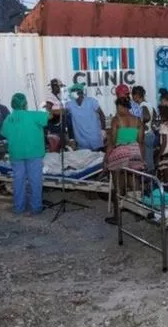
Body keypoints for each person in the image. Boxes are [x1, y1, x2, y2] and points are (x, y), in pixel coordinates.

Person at [0, 93, 49, 215]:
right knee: (35, 181)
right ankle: (36, 207)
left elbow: (4, 133)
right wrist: (48, 108)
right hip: (34, 153)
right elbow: (50, 116)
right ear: (25, 103)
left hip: (16, 155)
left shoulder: (8, 119)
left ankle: (18, 207)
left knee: (18, 182)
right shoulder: (34, 115)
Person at [104, 96, 146, 225]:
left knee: (118, 186)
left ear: (122, 107)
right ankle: (139, 213)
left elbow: (114, 140)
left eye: (117, 107)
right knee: (135, 184)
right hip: (135, 151)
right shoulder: (138, 120)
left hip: (121, 152)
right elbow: (140, 140)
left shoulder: (116, 120)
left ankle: (117, 217)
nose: (116, 110)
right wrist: (142, 158)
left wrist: (106, 158)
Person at [66, 83, 106, 151]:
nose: (72, 93)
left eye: (73, 91)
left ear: (80, 92)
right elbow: (63, 113)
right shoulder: (70, 104)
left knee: (98, 158)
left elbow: (102, 115)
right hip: (81, 140)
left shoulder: (91, 101)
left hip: (94, 137)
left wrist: (103, 130)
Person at [131, 86, 155, 173]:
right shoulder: (149, 104)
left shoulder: (142, 106)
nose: (132, 98)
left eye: (132, 95)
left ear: (136, 95)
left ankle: (149, 182)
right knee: (150, 160)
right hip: (150, 134)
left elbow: (147, 117)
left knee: (147, 162)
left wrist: (141, 124)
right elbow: (154, 117)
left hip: (146, 135)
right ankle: (151, 181)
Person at [45, 78, 69, 146]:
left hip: (61, 122)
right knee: (58, 143)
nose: (60, 88)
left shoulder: (58, 96)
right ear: (54, 87)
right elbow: (48, 110)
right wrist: (61, 111)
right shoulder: (50, 97)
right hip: (55, 124)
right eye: (59, 86)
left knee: (63, 141)